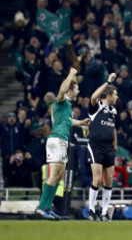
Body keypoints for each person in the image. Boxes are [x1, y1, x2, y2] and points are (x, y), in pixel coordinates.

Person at [34, 68, 90, 220]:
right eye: (76, 90)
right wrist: (71, 74)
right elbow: (61, 91)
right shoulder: (61, 100)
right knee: (54, 175)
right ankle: (41, 207)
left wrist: (81, 122)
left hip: (62, 140)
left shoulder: (67, 106)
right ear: (70, 90)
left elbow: (68, 121)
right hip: (57, 139)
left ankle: (47, 207)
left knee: (59, 177)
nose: (78, 93)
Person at [86, 73, 119, 221]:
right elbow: (93, 97)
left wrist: (115, 144)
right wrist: (107, 82)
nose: (117, 97)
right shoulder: (97, 106)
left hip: (108, 147)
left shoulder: (113, 111)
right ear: (109, 95)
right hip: (96, 145)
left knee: (109, 180)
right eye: (115, 94)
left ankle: (105, 212)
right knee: (97, 179)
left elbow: (113, 129)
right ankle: (91, 210)